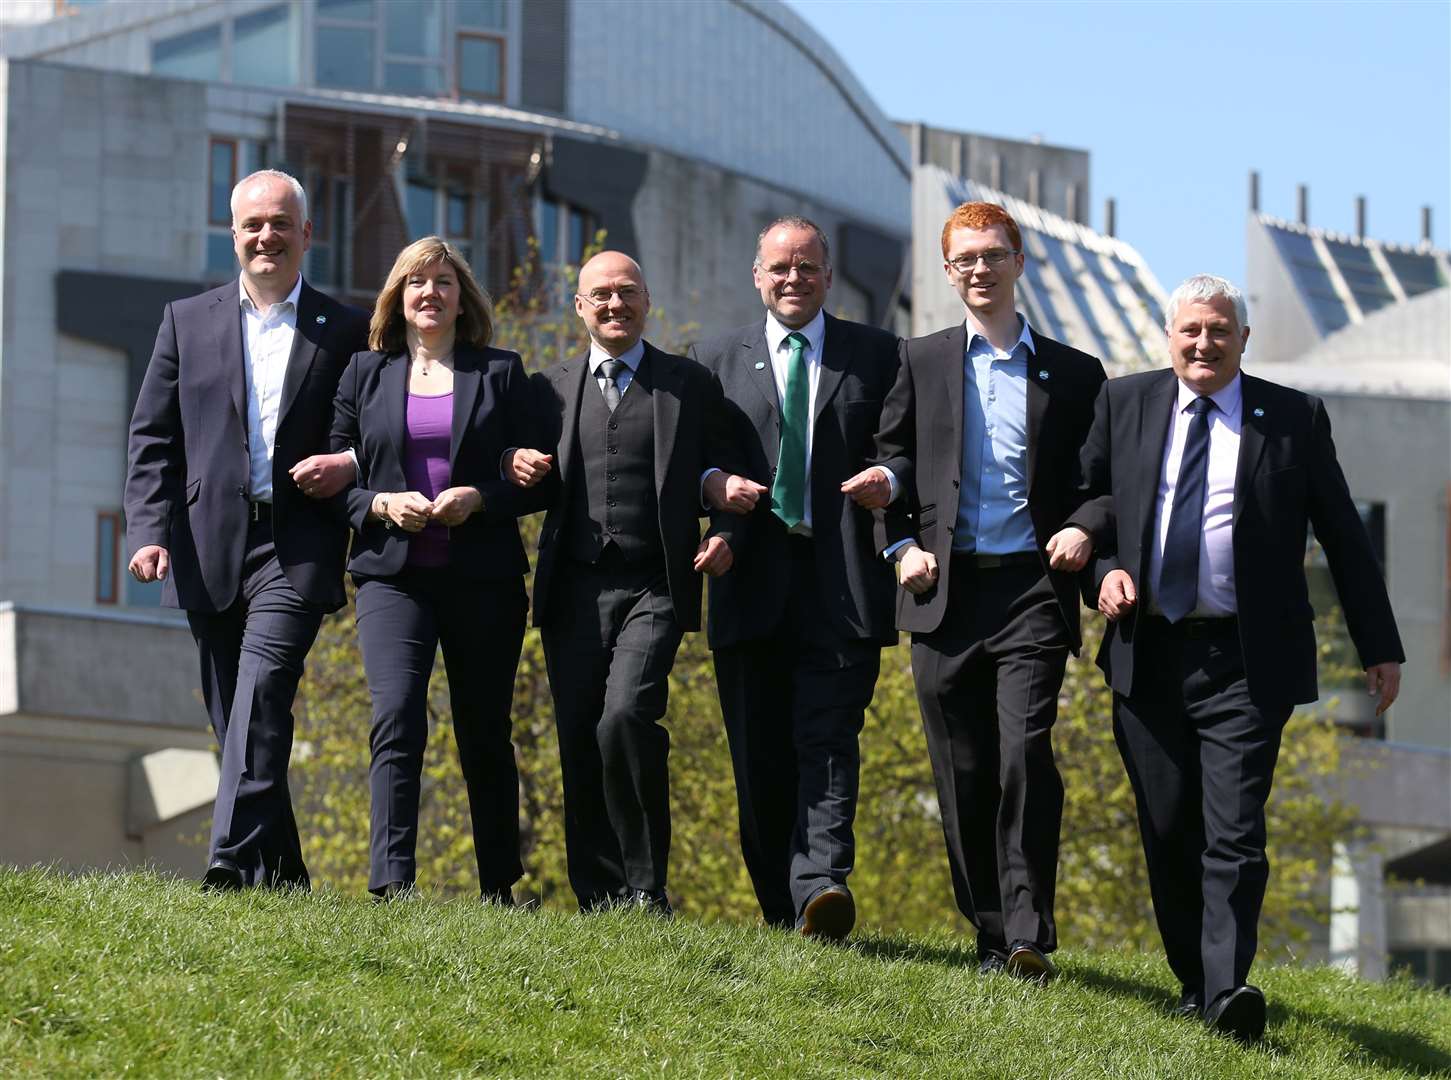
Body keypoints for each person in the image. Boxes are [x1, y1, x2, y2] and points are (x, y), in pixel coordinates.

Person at [1071, 273, 1403, 1040]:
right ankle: (1193, 979)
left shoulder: (1291, 418)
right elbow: (1089, 506)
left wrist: (1378, 648)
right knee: (1167, 826)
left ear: (1242, 339)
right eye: (1190, 330)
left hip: (1245, 662)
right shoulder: (1125, 403)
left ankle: (1227, 990)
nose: (1203, 343)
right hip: (1145, 652)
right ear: (1169, 335)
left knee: (1234, 832)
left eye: (1218, 331)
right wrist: (1101, 571)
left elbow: (1344, 541)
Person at [863, 201, 1108, 978]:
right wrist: (897, 545)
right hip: (942, 593)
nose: (978, 268)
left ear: (1018, 262)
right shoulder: (920, 359)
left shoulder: (1073, 373)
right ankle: (990, 933)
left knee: (1024, 756)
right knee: (960, 769)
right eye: (963, 258)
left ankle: (1030, 928)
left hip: (1032, 592)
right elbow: (892, 461)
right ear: (947, 271)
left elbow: (1099, 485)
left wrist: (1083, 528)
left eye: (992, 255)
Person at [124, 169, 369, 889]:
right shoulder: (185, 321)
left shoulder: (349, 330)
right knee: (235, 718)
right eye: (252, 225)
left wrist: (348, 464)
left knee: (262, 693)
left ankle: (228, 862)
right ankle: (286, 875)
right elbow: (152, 438)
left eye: (280, 224)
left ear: (306, 235)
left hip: (297, 547)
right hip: (207, 542)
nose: (266, 237)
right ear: (232, 235)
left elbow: (375, 434)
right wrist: (147, 530)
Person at [689, 216, 900, 940]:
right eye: (779, 267)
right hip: (750, 582)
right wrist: (715, 486)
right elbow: (689, 461)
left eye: (806, 267)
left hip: (841, 581)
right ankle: (782, 910)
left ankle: (822, 883)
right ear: (757, 276)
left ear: (828, 275)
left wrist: (892, 477)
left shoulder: (876, 355)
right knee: (758, 755)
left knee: (829, 739)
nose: (792, 279)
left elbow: (905, 448)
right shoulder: (714, 358)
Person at [326, 237, 551, 901]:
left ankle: (498, 887)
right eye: (416, 282)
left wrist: (481, 498)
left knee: (485, 728)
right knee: (396, 714)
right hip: (391, 578)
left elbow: (541, 482)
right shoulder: (362, 374)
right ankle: (392, 880)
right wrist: (378, 503)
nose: (430, 293)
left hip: (483, 578)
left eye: (443, 282)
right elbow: (333, 480)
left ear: (462, 298)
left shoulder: (502, 374)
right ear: (397, 296)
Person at [525, 250, 742, 915]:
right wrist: (509, 461)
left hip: (654, 583)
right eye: (600, 295)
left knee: (626, 716)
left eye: (627, 293)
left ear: (647, 300)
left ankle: (647, 888)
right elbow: (507, 465)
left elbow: (733, 470)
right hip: (572, 589)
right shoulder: (549, 388)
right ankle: (595, 893)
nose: (614, 305)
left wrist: (726, 535)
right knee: (577, 732)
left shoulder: (689, 384)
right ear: (579, 308)